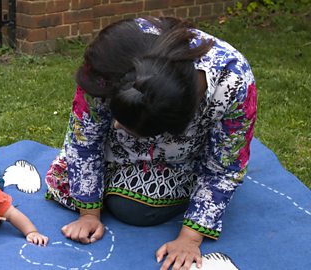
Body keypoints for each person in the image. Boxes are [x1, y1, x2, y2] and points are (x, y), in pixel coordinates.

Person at [45, 16, 256, 270]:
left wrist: (190, 238)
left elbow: (225, 165)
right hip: (125, 152)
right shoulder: (113, 62)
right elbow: (84, 137)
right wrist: (88, 213)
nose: (114, 126)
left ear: (171, 129)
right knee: (96, 189)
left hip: (181, 161)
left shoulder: (234, 82)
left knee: (132, 209)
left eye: (127, 126)